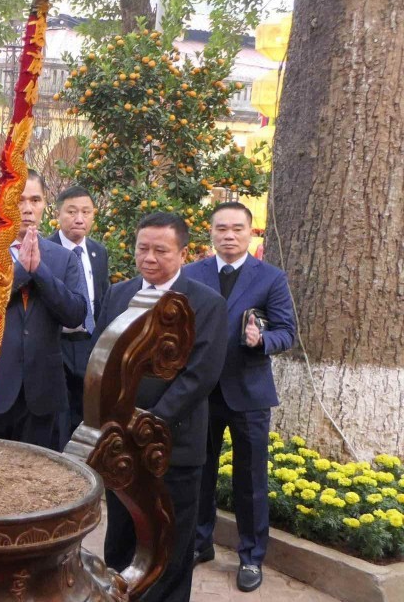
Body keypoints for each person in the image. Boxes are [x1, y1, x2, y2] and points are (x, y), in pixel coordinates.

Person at [95, 212, 227, 602]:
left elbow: (199, 377)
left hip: (173, 445)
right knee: (121, 536)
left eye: (160, 250)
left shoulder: (205, 304)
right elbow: (100, 359)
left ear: (182, 253)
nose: (149, 258)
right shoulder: (118, 295)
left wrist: (149, 424)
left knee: (169, 542)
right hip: (120, 446)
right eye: (142, 249)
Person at [187, 202, 296, 593]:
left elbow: (287, 331)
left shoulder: (270, 278)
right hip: (201, 392)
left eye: (236, 229)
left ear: (251, 233)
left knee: (250, 479)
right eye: (221, 229)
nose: (228, 235)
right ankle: (199, 544)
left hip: (248, 393)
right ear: (211, 233)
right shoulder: (191, 274)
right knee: (199, 472)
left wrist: (262, 340)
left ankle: (251, 557)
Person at [0, 170, 86, 450]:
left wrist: (40, 271)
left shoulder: (63, 258)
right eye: (19, 201)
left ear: (44, 204)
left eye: (35, 200)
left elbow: (76, 313)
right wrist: (20, 273)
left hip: (43, 392)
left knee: (38, 483)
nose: (27, 209)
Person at [49, 186, 109, 448]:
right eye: (71, 212)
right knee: (59, 419)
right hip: (56, 343)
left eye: (86, 212)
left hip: (89, 343)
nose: (79, 218)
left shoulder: (98, 252)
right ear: (57, 214)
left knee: (86, 415)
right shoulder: (46, 250)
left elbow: (102, 296)